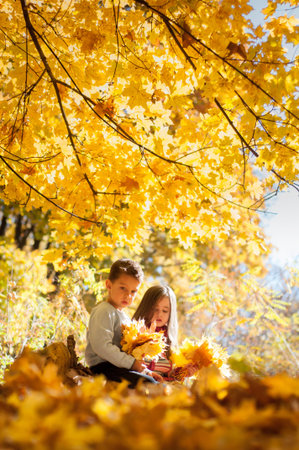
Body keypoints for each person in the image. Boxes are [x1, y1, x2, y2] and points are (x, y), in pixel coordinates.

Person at [85, 259, 160, 388]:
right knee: (148, 384)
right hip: (103, 367)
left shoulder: (124, 317)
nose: (128, 295)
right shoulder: (104, 311)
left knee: (151, 381)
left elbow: (127, 353)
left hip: (119, 366)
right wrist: (132, 364)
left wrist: (145, 371)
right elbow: (101, 347)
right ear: (109, 285)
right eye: (123, 288)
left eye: (133, 291)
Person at [133, 284, 197, 381]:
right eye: (155, 309)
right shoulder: (134, 332)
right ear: (146, 308)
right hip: (140, 383)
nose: (159, 314)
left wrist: (184, 372)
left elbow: (171, 375)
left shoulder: (168, 339)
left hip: (164, 387)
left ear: (170, 314)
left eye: (165, 311)